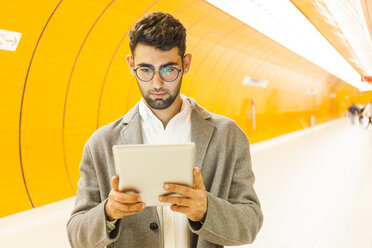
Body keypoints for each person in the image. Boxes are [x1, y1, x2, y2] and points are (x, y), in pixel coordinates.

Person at [67, 12, 263, 248]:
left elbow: (250, 224)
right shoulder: (102, 143)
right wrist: (108, 212)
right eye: (146, 70)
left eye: (168, 70)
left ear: (186, 63)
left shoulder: (227, 136)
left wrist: (206, 210)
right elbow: (76, 235)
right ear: (131, 65)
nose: (157, 83)